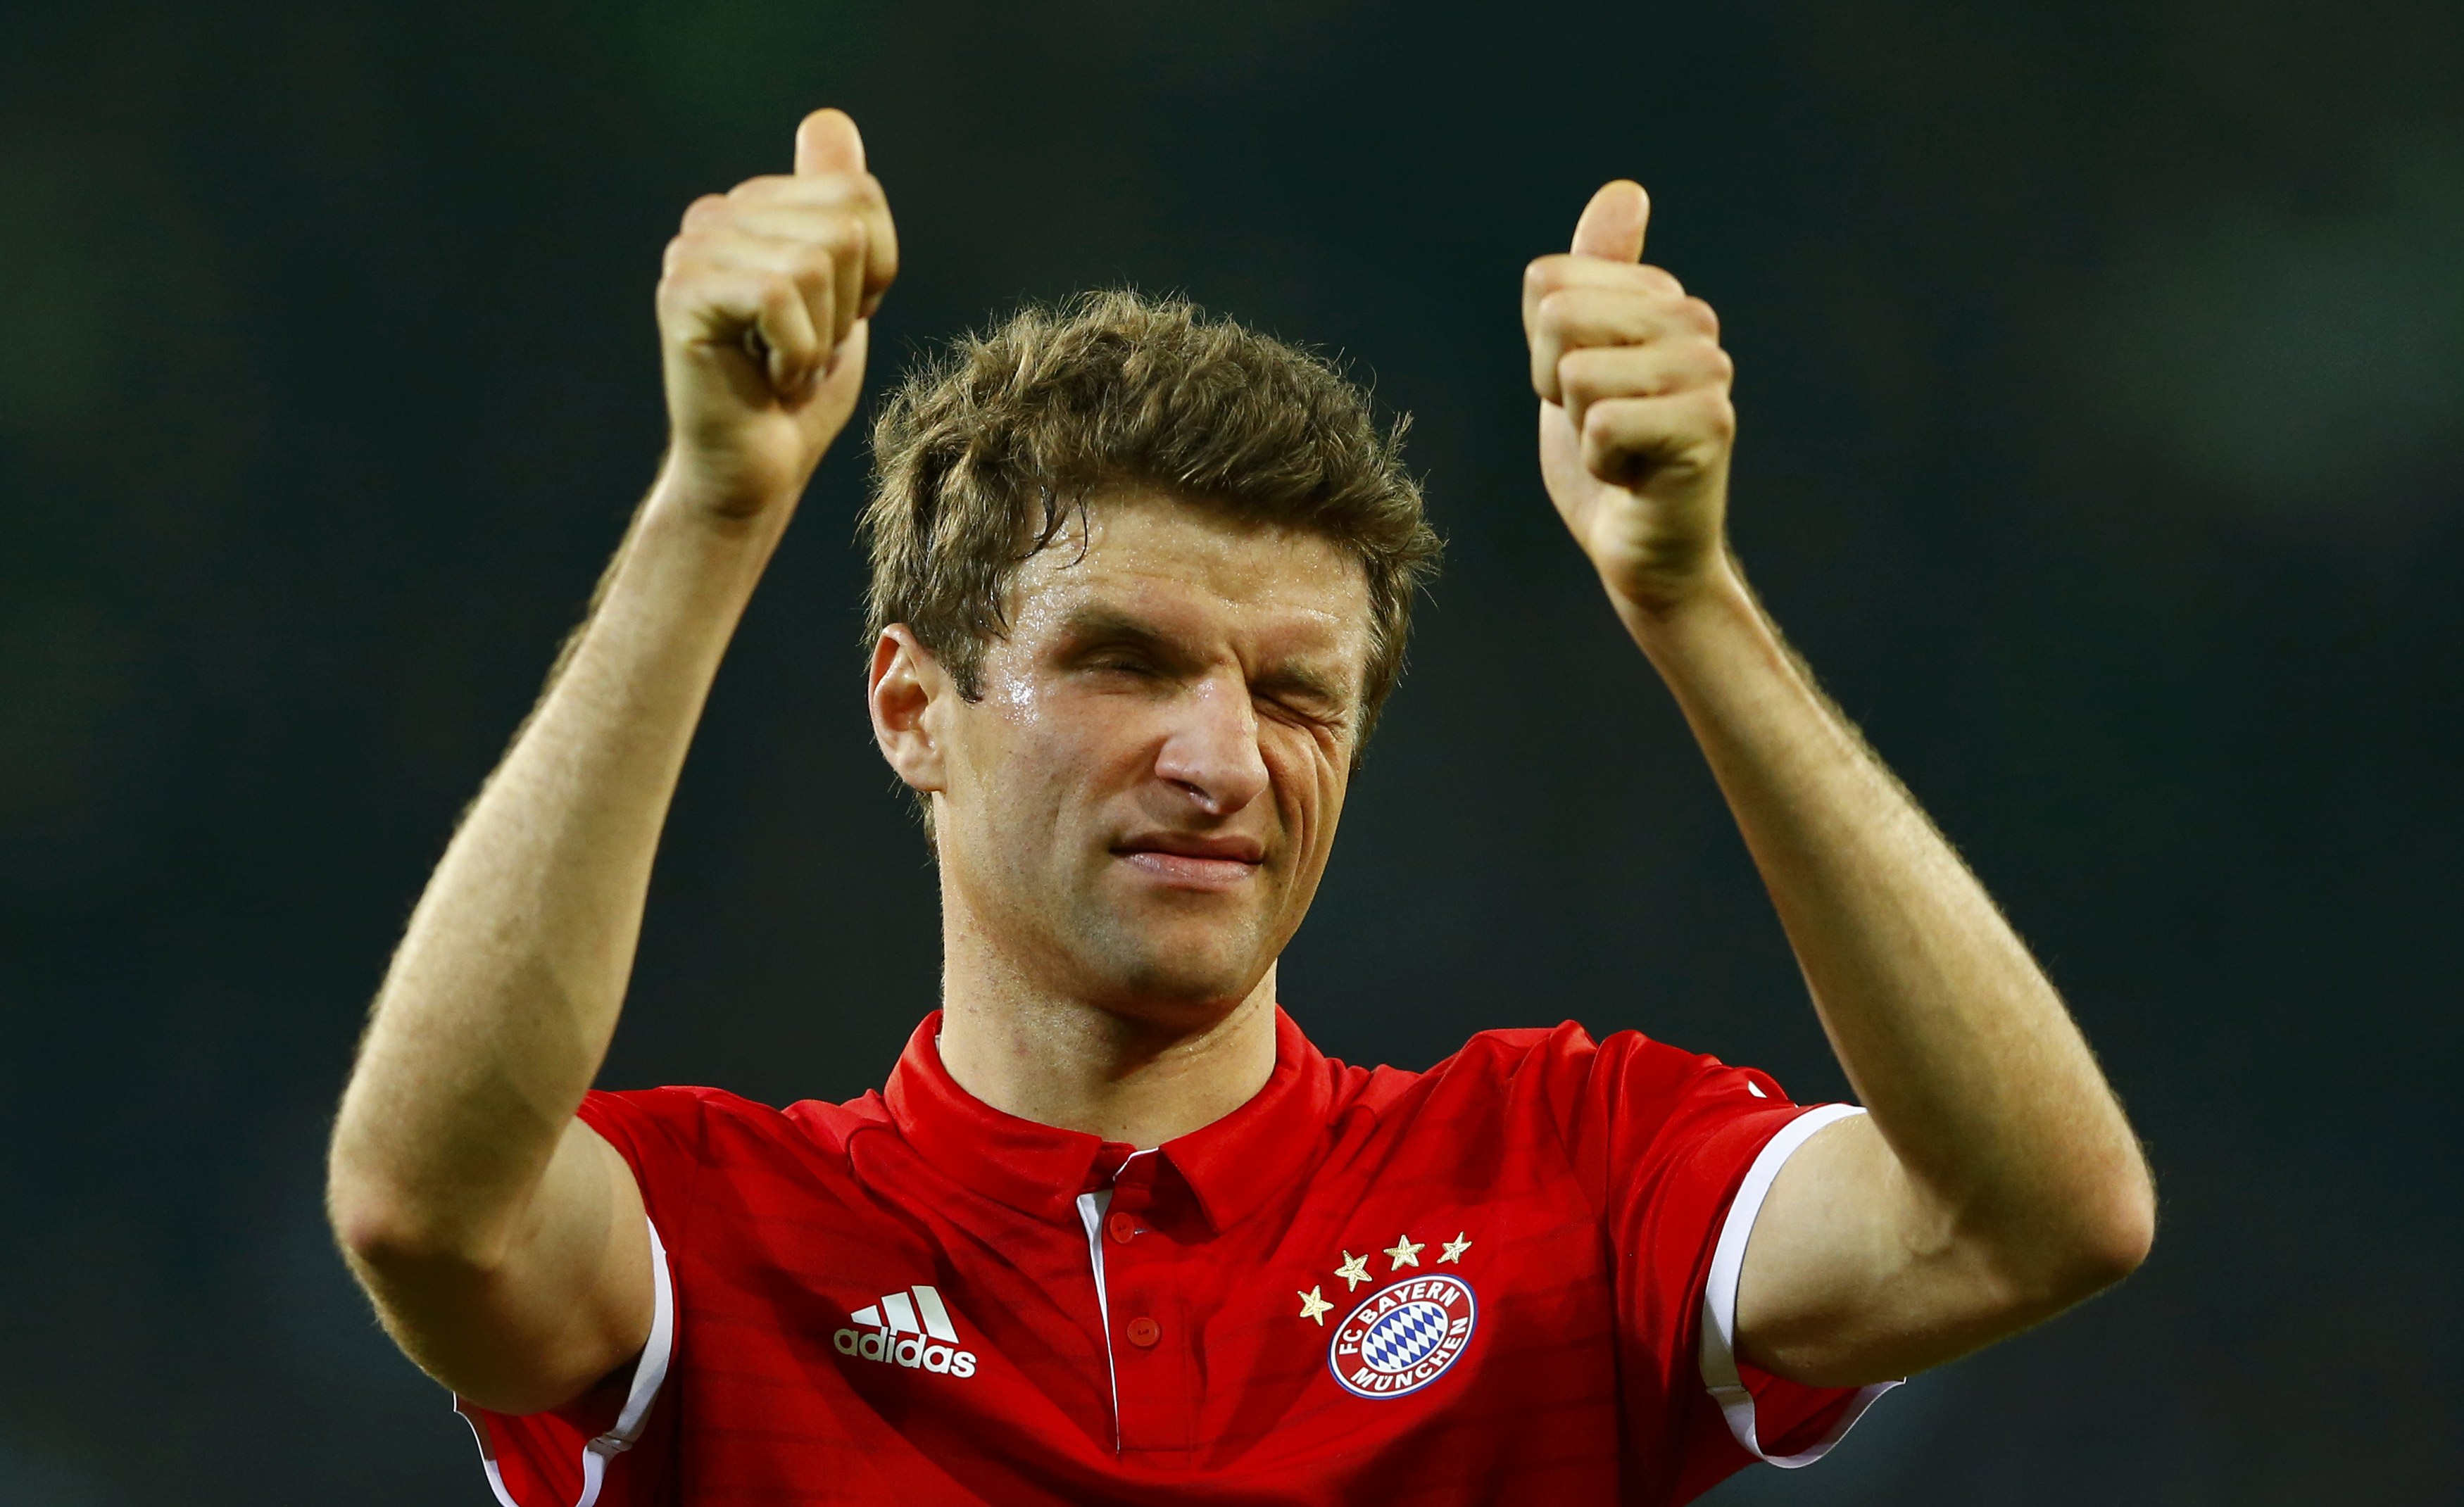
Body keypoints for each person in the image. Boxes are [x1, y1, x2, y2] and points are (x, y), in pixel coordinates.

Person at [326, 108, 2154, 1506]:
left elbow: (2036, 1219)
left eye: (1295, 694)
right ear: (912, 708)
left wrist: (1688, 603)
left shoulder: (1562, 1181)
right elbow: (424, 1210)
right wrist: (711, 514)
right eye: (1124, 663)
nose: (1219, 763)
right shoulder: (715, 1237)